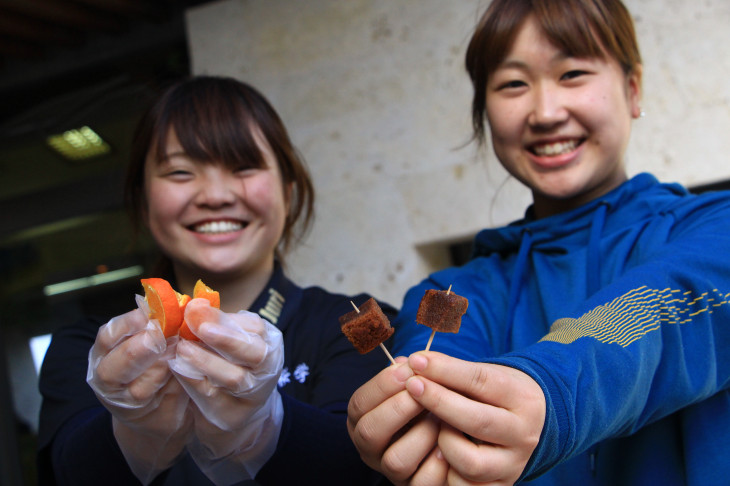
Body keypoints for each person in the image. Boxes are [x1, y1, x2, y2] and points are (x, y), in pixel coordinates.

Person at [347, 0, 730, 485]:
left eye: (572, 74)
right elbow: (440, 376)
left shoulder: (719, 229)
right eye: (513, 84)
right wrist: (423, 430)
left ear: (633, 90)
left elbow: (659, 311)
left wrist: (546, 391)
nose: (546, 112)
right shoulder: (451, 291)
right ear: (484, 112)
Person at [37, 75, 397, 486]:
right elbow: (66, 471)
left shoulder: (354, 323)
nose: (214, 194)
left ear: (288, 190)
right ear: (142, 197)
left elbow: (370, 468)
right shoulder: (87, 345)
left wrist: (262, 428)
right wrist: (134, 435)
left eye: (243, 166)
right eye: (179, 172)